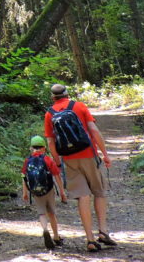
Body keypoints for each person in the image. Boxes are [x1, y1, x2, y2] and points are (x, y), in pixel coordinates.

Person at [44, 83, 115, 252]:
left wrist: (57, 161)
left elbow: (50, 141)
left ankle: (90, 239)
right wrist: (105, 154)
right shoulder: (79, 106)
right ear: (67, 94)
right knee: (99, 192)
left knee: (83, 196)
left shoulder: (49, 114)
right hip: (88, 154)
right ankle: (103, 231)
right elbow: (93, 129)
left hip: (69, 159)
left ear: (52, 97)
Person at [21, 134, 67, 250]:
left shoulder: (28, 160)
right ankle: (56, 236)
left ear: (31, 148)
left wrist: (25, 192)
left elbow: (24, 177)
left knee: (42, 213)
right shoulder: (47, 159)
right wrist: (62, 191)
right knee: (51, 213)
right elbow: (56, 175)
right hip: (49, 190)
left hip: (36, 192)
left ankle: (45, 230)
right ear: (44, 148)